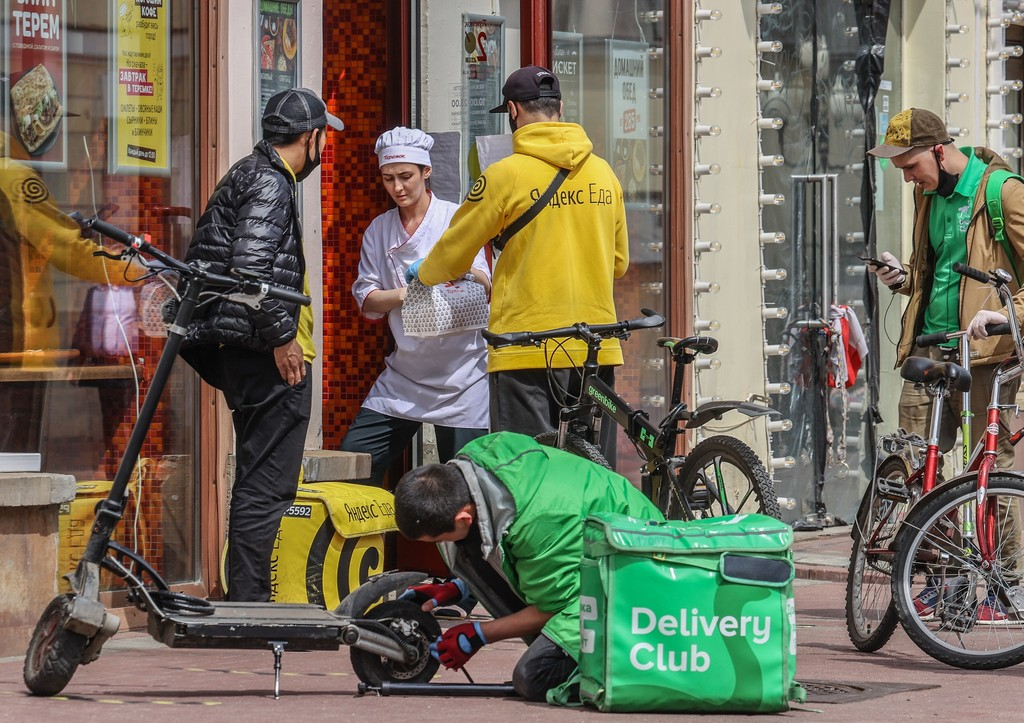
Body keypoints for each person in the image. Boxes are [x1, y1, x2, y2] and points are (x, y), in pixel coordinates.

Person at [406, 66, 629, 461]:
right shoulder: (603, 173)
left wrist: (422, 275)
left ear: (512, 111)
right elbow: (619, 263)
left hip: (526, 348)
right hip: (596, 344)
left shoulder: (504, 176)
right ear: (560, 108)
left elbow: (454, 251)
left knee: (527, 474)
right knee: (595, 474)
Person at [179, 87, 343, 602]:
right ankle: (249, 604)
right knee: (267, 485)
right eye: (324, 138)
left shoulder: (252, 173)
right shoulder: (271, 183)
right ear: (311, 137)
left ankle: (244, 597)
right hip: (267, 356)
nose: (324, 150)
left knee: (256, 478)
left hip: (243, 351)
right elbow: (249, 272)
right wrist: (283, 339)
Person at [867, 107, 1023, 617]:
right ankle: (945, 578)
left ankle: (1009, 584)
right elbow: (933, 273)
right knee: (921, 466)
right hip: (929, 347)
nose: (906, 177)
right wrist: (901, 277)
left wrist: (1004, 313)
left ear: (939, 150)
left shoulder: (1002, 193)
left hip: (983, 354)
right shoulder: (925, 194)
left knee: (989, 468)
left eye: (910, 165)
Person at [393, 431, 663, 702]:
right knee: (470, 545)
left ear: (463, 517)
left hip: (634, 583)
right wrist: (458, 589)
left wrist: (478, 634)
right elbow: (503, 550)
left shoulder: (539, 522)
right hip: (588, 559)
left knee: (533, 677)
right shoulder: (478, 466)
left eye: (440, 539)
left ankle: (619, 669)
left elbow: (553, 606)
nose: (441, 545)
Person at [341, 127, 490, 486]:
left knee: (466, 488)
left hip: (464, 378)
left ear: (426, 172)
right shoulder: (379, 229)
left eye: (406, 176)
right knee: (350, 469)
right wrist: (409, 293)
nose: (398, 188)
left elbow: (487, 283)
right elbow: (368, 299)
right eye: (388, 179)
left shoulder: (455, 218)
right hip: (404, 378)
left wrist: (447, 270)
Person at [1, 129, 137, 458]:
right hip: (14, 336)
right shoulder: (12, 176)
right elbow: (61, 247)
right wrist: (133, 271)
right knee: (16, 455)